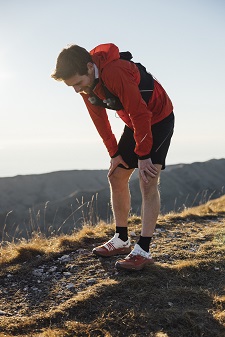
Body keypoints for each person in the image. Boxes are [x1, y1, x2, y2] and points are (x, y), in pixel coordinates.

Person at [51, 43, 174, 271]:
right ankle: (121, 239)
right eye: (72, 87)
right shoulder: (88, 85)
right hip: (134, 122)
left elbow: (140, 112)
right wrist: (114, 154)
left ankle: (144, 250)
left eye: (78, 83)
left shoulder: (114, 72)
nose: (77, 91)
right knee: (116, 176)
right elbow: (100, 120)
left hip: (157, 119)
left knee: (147, 180)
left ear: (90, 67)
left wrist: (144, 155)